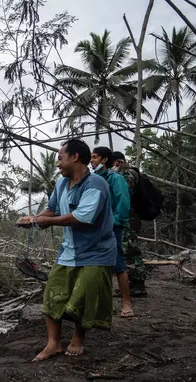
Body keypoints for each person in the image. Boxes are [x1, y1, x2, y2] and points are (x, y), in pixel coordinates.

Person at [17, 139, 116, 361]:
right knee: (52, 294)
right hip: (68, 252)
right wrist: (34, 219)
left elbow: (82, 218)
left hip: (96, 253)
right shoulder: (61, 185)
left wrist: (46, 222)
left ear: (74, 157)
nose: (57, 164)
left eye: (60, 158)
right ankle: (53, 344)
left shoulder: (96, 184)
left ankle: (78, 338)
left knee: (84, 296)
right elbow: (52, 210)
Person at [91, 147, 136, 318]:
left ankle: (126, 303)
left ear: (104, 160)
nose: (91, 161)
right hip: (94, 229)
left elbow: (123, 204)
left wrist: (113, 223)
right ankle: (103, 305)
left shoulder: (115, 179)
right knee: (97, 266)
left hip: (111, 228)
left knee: (118, 264)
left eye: (94, 157)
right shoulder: (93, 179)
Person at [110, 151, 147, 297]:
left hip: (129, 218)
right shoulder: (126, 174)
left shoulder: (128, 174)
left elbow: (123, 194)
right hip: (128, 217)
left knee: (130, 249)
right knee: (126, 250)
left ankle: (138, 284)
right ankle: (132, 283)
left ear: (118, 162)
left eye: (112, 164)